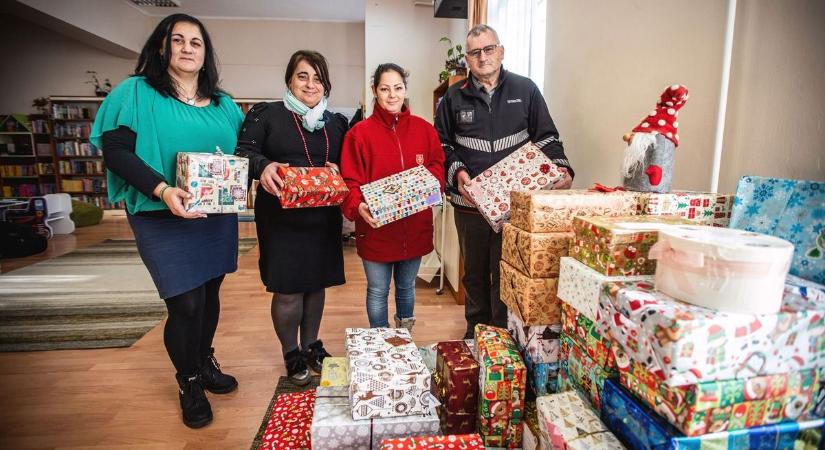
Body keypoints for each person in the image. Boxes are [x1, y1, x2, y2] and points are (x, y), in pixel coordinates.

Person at [90, 14, 243, 428]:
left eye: (196, 41)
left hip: (214, 216)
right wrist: (162, 190)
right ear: (162, 47)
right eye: (178, 40)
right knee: (185, 302)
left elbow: (244, 155)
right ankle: (189, 380)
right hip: (160, 213)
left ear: (205, 52)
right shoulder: (135, 93)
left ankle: (205, 360)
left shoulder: (225, 104)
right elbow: (117, 153)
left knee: (211, 293)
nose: (188, 47)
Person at [435, 24, 574, 339]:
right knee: (473, 274)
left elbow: (548, 137)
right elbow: (440, 145)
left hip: (515, 207)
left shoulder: (526, 89)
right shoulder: (453, 96)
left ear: (500, 51)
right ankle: (475, 331)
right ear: (467, 59)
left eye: (488, 49)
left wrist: (562, 169)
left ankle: (501, 337)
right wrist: (458, 174)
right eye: (474, 52)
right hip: (469, 206)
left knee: (505, 272)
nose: (482, 57)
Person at [234, 51, 346, 386]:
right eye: (302, 76)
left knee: (316, 284)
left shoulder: (337, 122)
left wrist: (341, 170)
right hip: (281, 219)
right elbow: (243, 153)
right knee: (288, 290)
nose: (311, 84)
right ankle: (291, 352)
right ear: (289, 80)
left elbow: (349, 164)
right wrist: (263, 166)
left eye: (317, 77)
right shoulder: (266, 114)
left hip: (323, 218)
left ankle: (312, 345)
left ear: (326, 84)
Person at [341, 63, 445, 331]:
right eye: (385, 89)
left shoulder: (424, 130)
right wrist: (357, 206)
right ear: (375, 91)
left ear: (405, 90)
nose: (392, 95)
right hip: (376, 229)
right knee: (377, 289)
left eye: (397, 88)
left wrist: (425, 182)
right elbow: (350, 182)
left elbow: (437, 166)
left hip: (414, 228)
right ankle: (380, 342)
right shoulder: (358, 135)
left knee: (406, 286)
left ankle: (403, 340)